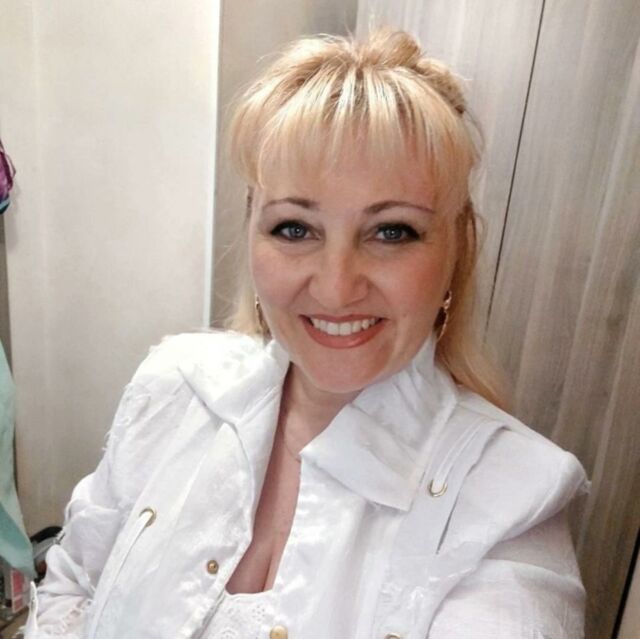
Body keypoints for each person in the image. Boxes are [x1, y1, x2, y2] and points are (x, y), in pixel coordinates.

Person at [25, 27, 590, 638]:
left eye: (392, 231)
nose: (336, 288)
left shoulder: (509, 505)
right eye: (295, 228)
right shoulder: (174, 386)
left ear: (455, 252)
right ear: (253, 234)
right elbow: (73, 581)